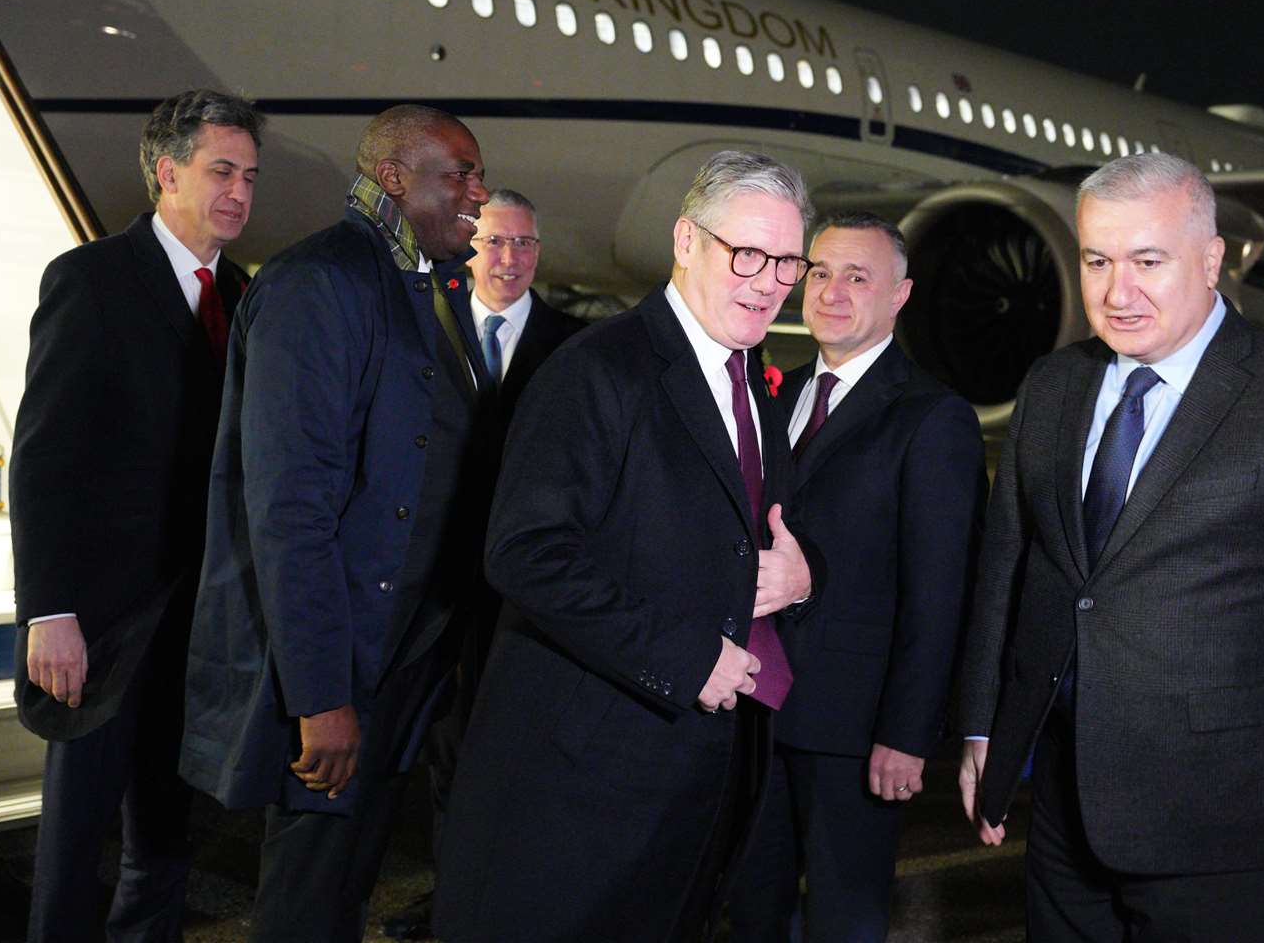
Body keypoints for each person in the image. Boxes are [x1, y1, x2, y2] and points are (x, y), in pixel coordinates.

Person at [957, 152, 1264, 940]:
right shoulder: (1053, 384)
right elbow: (1008, 567)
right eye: (1097, 260)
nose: (1117, 292)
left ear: (1212, 260)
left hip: (1228, 823)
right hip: (1066, 818)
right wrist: (983, 726)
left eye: (1148, 261)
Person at [433, 150, 822, 942]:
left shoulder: (751, 381)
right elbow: (525, 551)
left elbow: (727, 538)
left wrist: (800, 577)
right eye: (745, 253)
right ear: (686, 241)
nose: (768, 279)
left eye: (787, 261)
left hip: (697, 786)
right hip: (583, 793)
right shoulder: (597, 370)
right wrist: (683, 658)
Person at [179, 104, 493, 942]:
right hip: (345, 665)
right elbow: (289, 507)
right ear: (393, 178)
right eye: (457, 173)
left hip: (402, 655)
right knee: (308, 899)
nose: (477, 191)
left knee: (347, 886)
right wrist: (322, 699)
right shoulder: (321, 284)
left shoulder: (423, 285)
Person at [10, 89, 261, 942]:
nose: (239, 192)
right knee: (77, 841)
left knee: (165, 839)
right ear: (166, 173)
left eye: (249, 176)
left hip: (198, 625)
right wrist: (49, 612)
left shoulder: (243, 295)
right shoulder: (91, 280)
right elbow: (46, 457)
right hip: (102, 624)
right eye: (220, 171)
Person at [726, 213, 985, 941]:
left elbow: (940, 595)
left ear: (901, 296)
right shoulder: (771, 397)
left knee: (846, 919)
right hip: (754, 712)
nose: (831, 292)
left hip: (855, 731)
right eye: (819, 272)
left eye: (857, 277)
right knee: (750, 913)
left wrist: (907, 734)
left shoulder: (934, 419)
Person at [382, 187, 585, 941]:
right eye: (495, 242)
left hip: (530, 590)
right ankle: (455, 899)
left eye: (525, 244)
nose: (509, 258)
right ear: (470, 248)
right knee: (445, 749)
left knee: (525, 755)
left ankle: (524, 898)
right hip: (437, 579)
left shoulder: (574, 344)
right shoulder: (422, 330)